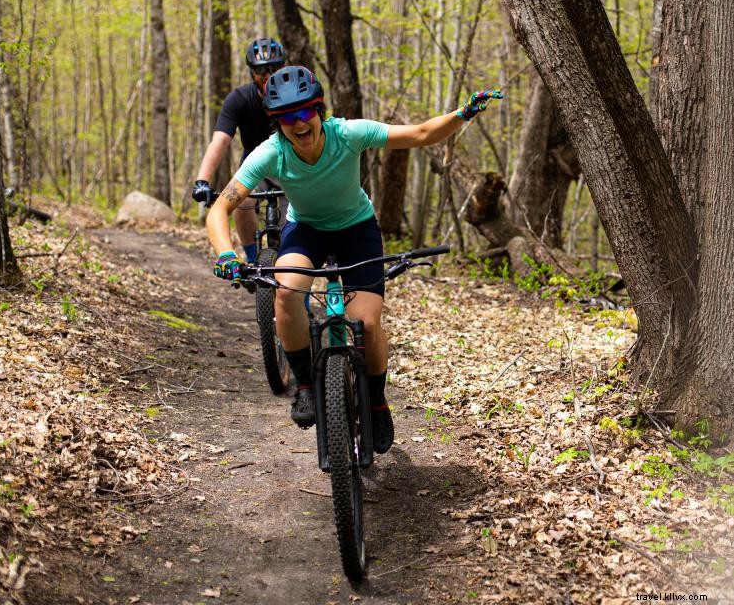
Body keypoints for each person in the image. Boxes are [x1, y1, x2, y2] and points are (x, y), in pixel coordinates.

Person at [207, 66, 502, 454]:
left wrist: (462, 113)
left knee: (366, 321)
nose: (298, 124)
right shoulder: (270, 153)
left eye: (304, 113)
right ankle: (307, 388)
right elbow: (220, 209)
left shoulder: (347, 134)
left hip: (356, 229)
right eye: (286, 118)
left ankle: (377, 403)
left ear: (318, 111)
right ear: (277, 124)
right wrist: (227, 254)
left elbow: (419, 134)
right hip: (306, 229)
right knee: (285, 294)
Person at [192, 37, 287, 262]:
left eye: (273, 69)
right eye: (260, 70)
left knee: (292, 225)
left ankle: (293, 280)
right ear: (251, 72)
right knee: (242, 201)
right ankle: (253, 261)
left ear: (283, 68)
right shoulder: (239, 99)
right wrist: (202, 181)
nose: (267, 75)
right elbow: (220, 141)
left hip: (290, 167)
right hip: (255, 168)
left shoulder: (296, 96)